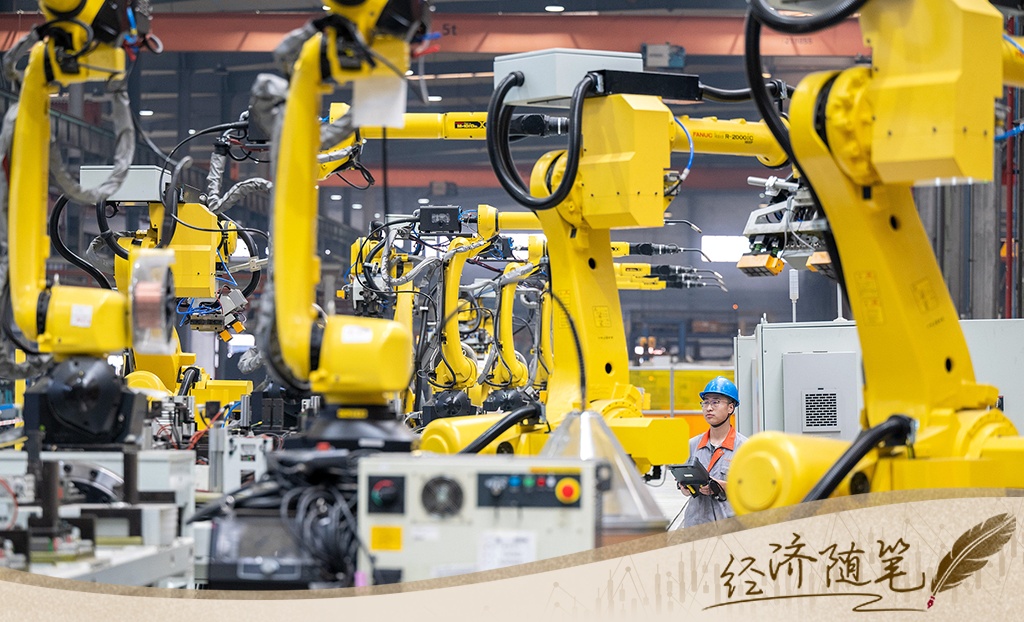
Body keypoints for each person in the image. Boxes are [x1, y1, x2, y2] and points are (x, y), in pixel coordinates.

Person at [679, 376, 748, 528]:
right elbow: (684, 488)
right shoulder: (693, 445)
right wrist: (686, 488)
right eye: (706, 402)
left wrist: (721, 487)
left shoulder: (745, 448)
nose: (709, 408)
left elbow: (753, 489)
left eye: (716, 402)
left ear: (730, 408)